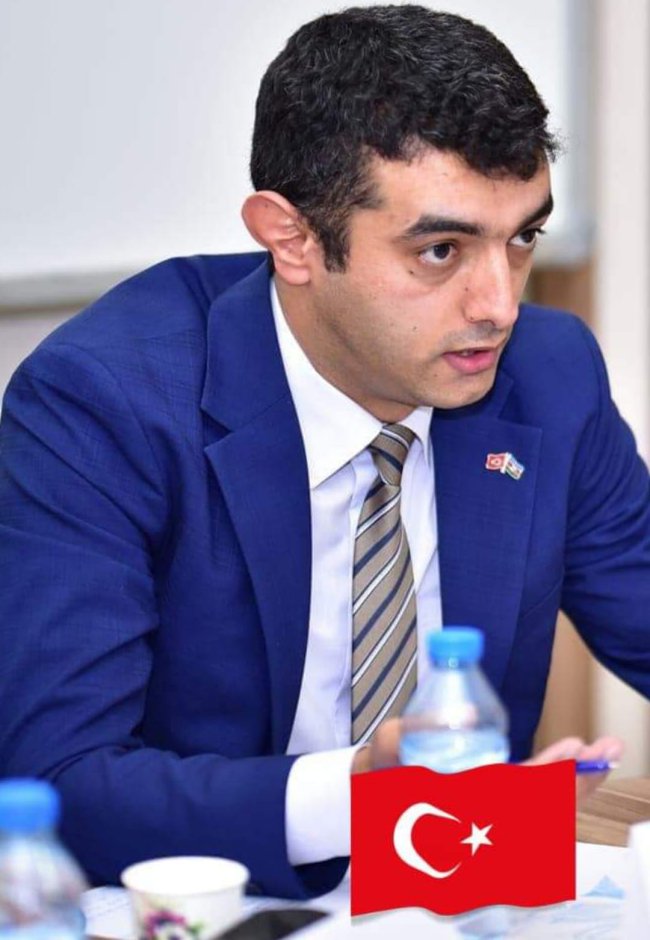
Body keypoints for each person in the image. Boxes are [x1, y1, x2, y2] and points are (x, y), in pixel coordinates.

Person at [0, 4, 646, 900]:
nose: (499, 304)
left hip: (465, 893)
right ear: (292, 238)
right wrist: (355, 794)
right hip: (210, 905)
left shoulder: (549, 373)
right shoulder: (105, 402)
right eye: (442, 250)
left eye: (523, 238)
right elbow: (58, 780)